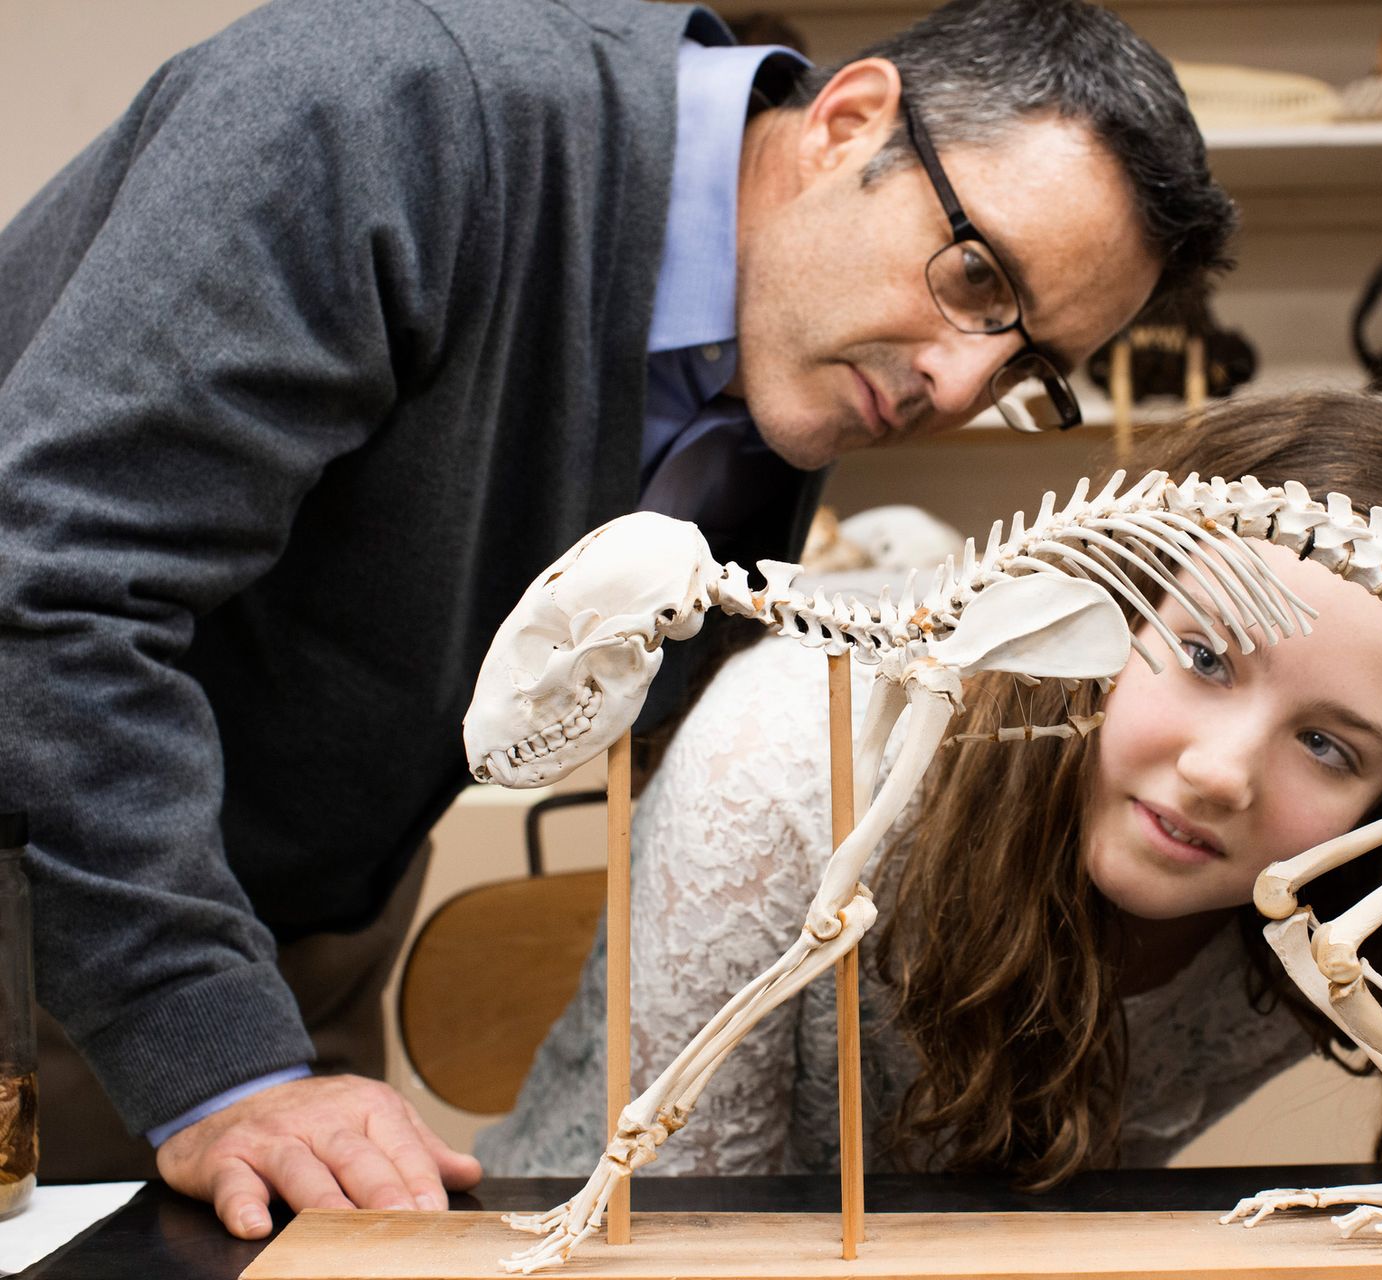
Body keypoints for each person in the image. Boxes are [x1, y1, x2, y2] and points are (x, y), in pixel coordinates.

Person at [0, 0, 1233, 1237]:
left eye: (1029, 367)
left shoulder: (782, 352)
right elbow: (44, 582)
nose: (960, 387)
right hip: (63, 892)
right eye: (977, 277)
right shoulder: (389, 109)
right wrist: (224, 1060)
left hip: (274, 931)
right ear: (850, 121)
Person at [479, 389, 1382, 1187]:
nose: (1219, 773)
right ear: (1113, 604)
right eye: (1206, 657)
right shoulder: (777, 765)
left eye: (1329, 745)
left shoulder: (1330, 918)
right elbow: (681, 1222)